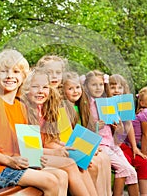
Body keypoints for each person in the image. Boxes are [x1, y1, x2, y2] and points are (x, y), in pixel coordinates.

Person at [0, 49, 68, 195]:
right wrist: (8, 160)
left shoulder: (20, 106)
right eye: (4, 71)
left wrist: (36, 158)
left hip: (13, 165)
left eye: (15, 71)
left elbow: (26, 144)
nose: (10, 76)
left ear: (23, 77)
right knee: (50, 182)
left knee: (62, 176)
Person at [20, 67, 97, 196]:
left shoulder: (42, 109)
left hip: (41, 153)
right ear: (26, 88)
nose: (40, 91)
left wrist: (66, 148)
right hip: (30, 157)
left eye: (45, 87)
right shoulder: (24, 109)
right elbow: (30, 149)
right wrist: (56, 152)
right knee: (70, 164)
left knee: (81, 161)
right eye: (35, 87)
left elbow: (50, 139)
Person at [82, 70, 139, 196]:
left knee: (132, 173)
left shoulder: (107, 102)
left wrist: (118, 128)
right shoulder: (87, 104)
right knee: (123, 170)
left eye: (101, 84)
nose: (98, 88)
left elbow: (119, 130)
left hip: (112, 143)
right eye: (94, 85)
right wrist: (96, 126)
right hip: (100, 144)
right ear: (86, 86)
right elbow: (85, 128)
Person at [62, 71, 112, 196]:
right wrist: (86, 149)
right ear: (63, 91)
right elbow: (69, 137)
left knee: (104, 158)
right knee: (94, 164)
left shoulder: (78, 107)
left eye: (77, 87)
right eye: (70, 88)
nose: (75, 91)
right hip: (67, 148)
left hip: (75, 146)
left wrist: (91, 147)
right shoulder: (65, 108)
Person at [108, 74, 147, 196]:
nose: (116, 90)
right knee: (126, 165)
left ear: (124, 89)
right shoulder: (105, 105)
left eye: (119, 87)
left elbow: (129, 125)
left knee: (142, 162)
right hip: (111, 145)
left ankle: (145, 194)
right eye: (112, 87)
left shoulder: (125, 104)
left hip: (122, 144)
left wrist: (135, 147)